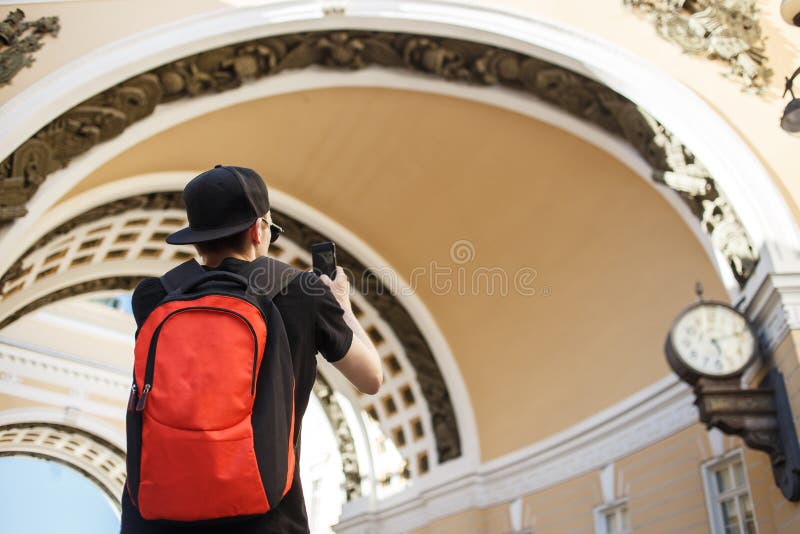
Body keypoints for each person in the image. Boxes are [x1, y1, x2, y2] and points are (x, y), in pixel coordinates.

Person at [120, 165, 383, 533]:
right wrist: (342, 306)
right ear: (259, 230)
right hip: (267, 518)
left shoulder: (152, 297)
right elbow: (371, 378)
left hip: (156, 518)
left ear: (195, 238)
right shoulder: (302, 292)